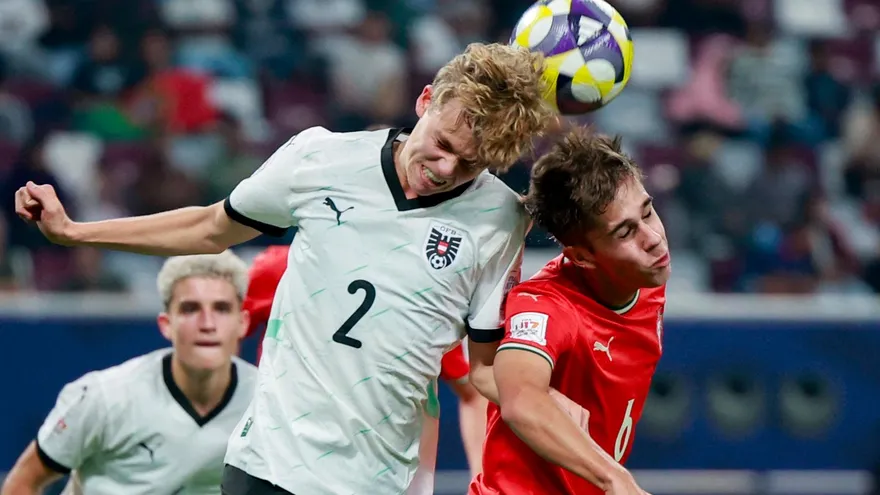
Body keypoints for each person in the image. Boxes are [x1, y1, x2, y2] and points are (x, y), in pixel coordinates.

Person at [14, 42, 552, 494]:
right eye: (443, 146)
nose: (446, 169)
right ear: (425, 100)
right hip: (268, 465)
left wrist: (554, 407)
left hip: (380, 481)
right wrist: (75, 231)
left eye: (471, 164)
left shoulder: (501, 221)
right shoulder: (319, 159)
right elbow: (208, 227)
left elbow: (482, 368)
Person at [469, 127, 671, 495]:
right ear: (580, 256)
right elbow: (521, 398)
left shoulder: (648, 278)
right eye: (626, 233)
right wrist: (615, 478)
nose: (653, 237)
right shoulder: (547, 306)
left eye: (648, 212)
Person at [1, 251, 258, 495]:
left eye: (222, 309)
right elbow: (22, 483)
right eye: (190, 309)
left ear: (242, 322)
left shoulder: (270, 402)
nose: (207, 324)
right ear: (166, 324)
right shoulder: (104, 397)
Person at [242, 245, 489, 482]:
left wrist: (480, 476)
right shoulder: (284, 266)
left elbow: (473, 393)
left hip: (372, 470)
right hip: (280, 460)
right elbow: (218, 334)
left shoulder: (418, 295)